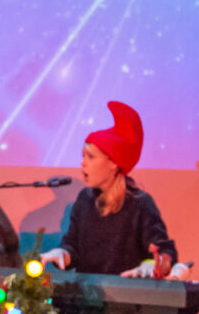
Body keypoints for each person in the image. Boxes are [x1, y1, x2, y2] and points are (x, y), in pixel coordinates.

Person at [46, 102, 178, 276]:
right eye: (83, 156)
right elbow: (73, 248)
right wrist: (62, 254)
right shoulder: (85, 199)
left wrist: (153, 264)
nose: (82, 163)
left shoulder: (140, 203)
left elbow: (165, 252)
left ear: (114, 163)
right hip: (87, 297)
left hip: (127, 297)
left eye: (91, 157)